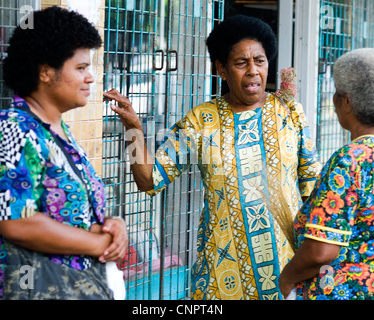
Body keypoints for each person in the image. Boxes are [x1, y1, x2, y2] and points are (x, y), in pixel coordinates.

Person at [103, 15, 321, 300]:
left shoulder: (290, 113)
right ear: (222, 69)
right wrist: (134, 131)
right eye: (241, 63)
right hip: (221, 279)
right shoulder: (201, 120)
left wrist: (314, 259)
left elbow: (312, 187)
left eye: (260, 61)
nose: (253, 71)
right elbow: (149, 180)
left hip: (287, 274)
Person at [0, 6, 128, 300]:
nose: (91, 78)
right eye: (81, 68)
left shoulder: (59, 133)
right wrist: (98, 244)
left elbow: (70, 214)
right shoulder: (12, 128)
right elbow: (18, 222)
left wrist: (112, 226)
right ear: (45, 71)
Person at [279, 48, 374, 300]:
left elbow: (320, 253)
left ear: (345, 101)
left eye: (336, 93)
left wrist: (286, 278)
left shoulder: (350, 160)